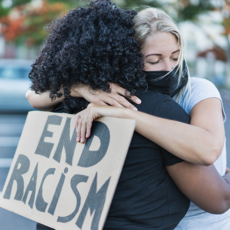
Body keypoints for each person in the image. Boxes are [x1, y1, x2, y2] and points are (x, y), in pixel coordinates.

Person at [27, 1, 230, 229]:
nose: (169, 68)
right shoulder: (158, 108)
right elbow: (218, 199)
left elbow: (35, 97)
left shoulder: (63, 103)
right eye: (153, 60)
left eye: (175, 57)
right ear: (128, 56)